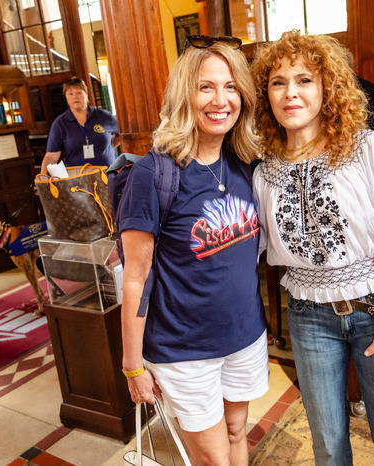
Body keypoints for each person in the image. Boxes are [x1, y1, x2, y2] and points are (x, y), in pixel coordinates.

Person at [251, 30, 374, 465]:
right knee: (328, 445)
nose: (290, 93)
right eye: (278, 82)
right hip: (308, 319)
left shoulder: (369, 150)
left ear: (327, 88)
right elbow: (256, 247)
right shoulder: (265, 173)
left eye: (304, 80)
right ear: (266, 95)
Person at [118, 35, 268, 466]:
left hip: (245, 334)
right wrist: (133, 365)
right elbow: (135, 277)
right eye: (206, 87)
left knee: (238, 432)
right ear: (185, 94)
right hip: (184, 346)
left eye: (230, 87)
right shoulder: (154, 173)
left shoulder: (244, 161)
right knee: (213, 460)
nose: (221, 99)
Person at [41, 77, 119, 172]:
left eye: (79, 92)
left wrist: (109, 147)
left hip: (108, 173)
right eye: (70, 94)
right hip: (77, 179)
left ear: (86, 95)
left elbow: (122, 134)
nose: (75, 97)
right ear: (66, 97)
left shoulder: (104, 116)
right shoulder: (60, 124)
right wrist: (43, 179)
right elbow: (51, 156)